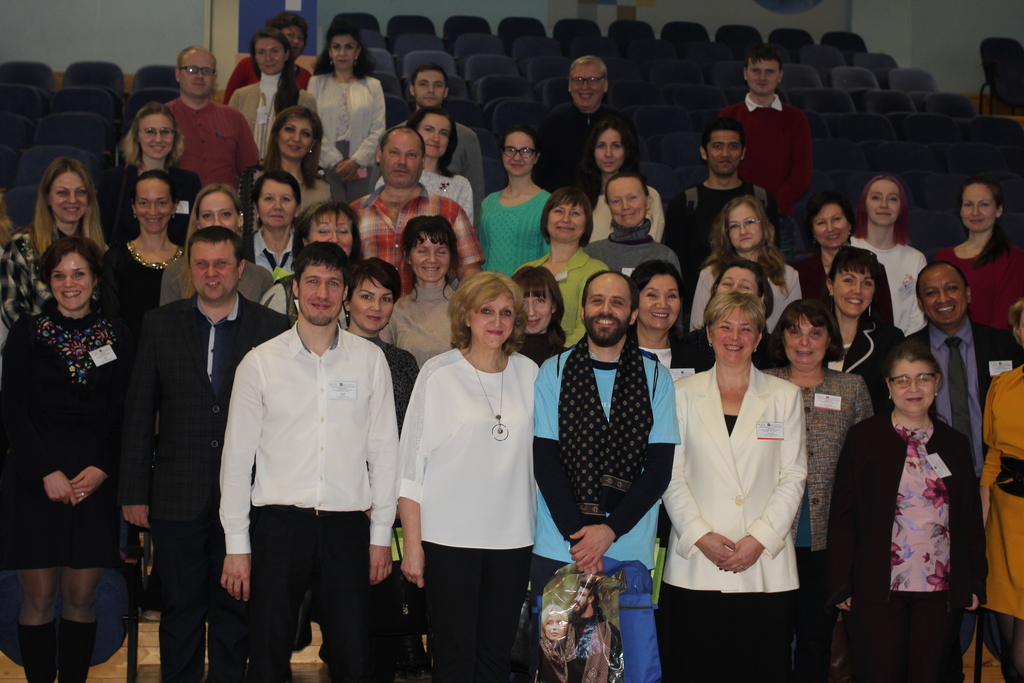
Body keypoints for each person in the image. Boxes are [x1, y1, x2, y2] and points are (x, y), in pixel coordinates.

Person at [219, 241, 398, 682]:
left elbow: (384, 453)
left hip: (347, 528)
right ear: (295, 288)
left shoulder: (370, 361)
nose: (322, 293)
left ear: (345, 294)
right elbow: (237, 461)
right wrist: (236, 545)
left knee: (352, 657)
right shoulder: (260, 363)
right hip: (279, 528)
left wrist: (380, 535)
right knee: (267, 656)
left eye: (333, 284)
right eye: (313, 282)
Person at [119, 227, 290, 682]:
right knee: (180, 609)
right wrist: (134, 492)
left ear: (240, 268)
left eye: (221, 264)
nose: (211, 273)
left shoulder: (272, 329)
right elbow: (140, 412)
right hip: (176, 494)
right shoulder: (159, 324)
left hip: (249, 497)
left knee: (235, 609)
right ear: (189, 269)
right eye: (201, 264)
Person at [530, 270, 680, 676]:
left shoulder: (656, 377)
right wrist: (582, 540)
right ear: (582, 310)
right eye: (597, 300)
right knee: (560, 672)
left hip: (627, 549)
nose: (606, 310)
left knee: (626, 671)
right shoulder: (553, 371)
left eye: (617, 302)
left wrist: (608, 532)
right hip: (561, 548)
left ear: (632, 314)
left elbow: (659, 470)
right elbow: (546, 462)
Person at [1, 236, 132, 683]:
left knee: (81, 599)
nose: (69, 283)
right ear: (47, 281)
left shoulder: (118, 334)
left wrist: (101, 469)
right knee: (36, 600)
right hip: (34, 482)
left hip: (93, 483)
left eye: (78, 273)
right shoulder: (27, 332)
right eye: (58, 275)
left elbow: (124, 412)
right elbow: (12, 411)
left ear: (95, 278)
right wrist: (46, 472)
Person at [397, 271, 537, 682]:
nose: (497, 321)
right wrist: (413, 546)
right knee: (454, 655)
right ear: (467, 316)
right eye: (486, 310)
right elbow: (411, 467)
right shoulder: (438, 373)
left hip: (513, 538)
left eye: (506, 312)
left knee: (496, 654)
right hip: (449, 539)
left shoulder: (531, 373)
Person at [660, 290, 806, 681]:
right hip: (697, 563)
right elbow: (670, 475)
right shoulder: (681, 394)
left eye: (746, 328)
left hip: (765, 566)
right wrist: (700, 535)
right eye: (725, 326)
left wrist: (759, 538)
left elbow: (793, 476)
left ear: (759, 338)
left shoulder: (785, 396)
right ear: (709, 334)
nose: (735, 336)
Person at [827, 340, 987, 683]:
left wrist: (975, 579)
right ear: (888, 386)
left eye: (923, 378)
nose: (913, 388)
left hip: (940, 591)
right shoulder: (864, 438)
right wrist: (841, 582)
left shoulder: (955, 443)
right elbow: (843, 515)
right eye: (902, 379)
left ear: (937, 382)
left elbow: (970, 519)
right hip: (876, 589)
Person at [765, 299, 873, 682]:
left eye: (815, 332)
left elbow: (867, 467)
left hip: (828, 540)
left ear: (830, 339)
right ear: (782, 338)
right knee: (770, 639)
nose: (804, 342)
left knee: (815, 640)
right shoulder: (761, 384)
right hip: (769, 537)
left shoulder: (852, 387)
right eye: (795, 331)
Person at [908, 260, 1024, 476]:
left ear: (968, 294)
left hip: (998, 475)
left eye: (952, 288)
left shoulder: (1005, 346)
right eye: (931, 293)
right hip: (929, 478)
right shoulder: (906, 353)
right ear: (921, 304)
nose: (943, 298)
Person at [664, 117, 780, 313]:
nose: (725, 153)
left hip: (757, 308)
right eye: (717, 146)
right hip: (700, 307)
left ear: (743, 152)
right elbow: (678, 268)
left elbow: (772, 256)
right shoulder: (684, 203)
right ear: (704, 152)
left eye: (733, 146)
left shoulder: (763, 200)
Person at [353, 127, 483, 296]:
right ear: (379, 155)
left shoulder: (450, 211)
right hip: (370, 310)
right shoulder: (355, 212)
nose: (402, 161)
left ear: (422, 161)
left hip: (431, 311)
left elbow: (471, 274)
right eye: (394, 153)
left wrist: (452, 309)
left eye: (411, 155)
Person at [719, 43, 812, 262]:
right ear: (745, 73)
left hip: (780, 219)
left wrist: (770, 208)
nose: (762, 77)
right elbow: (722, 167)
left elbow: (802, 173)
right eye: (756, 70)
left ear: (780, 76)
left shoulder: (796, 118)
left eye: (769, 71)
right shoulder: (728, 115)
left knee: (780, 281)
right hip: (737, 219)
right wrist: (745, 211)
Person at [1, 157, 107, 329]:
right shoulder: (22, 245)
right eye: (62, 193)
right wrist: (55, 339)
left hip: (91, 342)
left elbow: (107, 311)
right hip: (37, 343)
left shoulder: (101, 249)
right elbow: (12, 309)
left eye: (80, 192)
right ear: (47, 198)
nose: (72, 200)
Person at [981, 296, 1024, 681]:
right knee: (1010, 651)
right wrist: (981, 525)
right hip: (1004, 522)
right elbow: (993, 456)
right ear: (1018, 332)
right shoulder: (1004, 384)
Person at [689, 195, 800, 333]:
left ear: (763, 225)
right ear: (726, 234)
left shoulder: (788, 276)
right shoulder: (709, 275)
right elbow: (697, 328)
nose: (743, 231)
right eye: (734, 226)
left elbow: (794, 330)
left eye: (749, 222)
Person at [98, 101, 202, 246]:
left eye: (165, 131)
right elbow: (103, 233)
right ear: (136, 136)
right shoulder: (113, 181)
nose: (158, 139)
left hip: (179, 260)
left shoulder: (190, 182)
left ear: (174, 137)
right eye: (149, 131)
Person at [101, 169, 184, 344]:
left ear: (174, 205)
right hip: (129, 356)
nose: (152, 211)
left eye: (161, 203)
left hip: (177, 356)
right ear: (133, 206)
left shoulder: (189, 261)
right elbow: (111, 323)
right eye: (144, 203)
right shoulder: (115, 260)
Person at [517, 187, 607, 346]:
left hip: (571, 357)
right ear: (546, 219)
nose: (566, 219)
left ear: (587, 224)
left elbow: (588, 327)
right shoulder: (526, 270)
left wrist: (556, 357)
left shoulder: (597, 272)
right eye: (559, 211)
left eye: (575, 213)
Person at [159, 183, 274, 306]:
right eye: (207, 216)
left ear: (240, 220)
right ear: (198, 224)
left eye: (225, 214)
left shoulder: (260, 278)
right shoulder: (176, 273)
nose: (217, 223)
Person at [308, 18, 384, 201]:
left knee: (360, 213)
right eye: (336, 47)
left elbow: (378, 129)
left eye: (348, 47)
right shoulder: (316, 83)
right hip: (324, 160)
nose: (342, 53)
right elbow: (311, 126)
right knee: (330, 212)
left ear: (357, 51)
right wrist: (336, 161)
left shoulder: (373, 85)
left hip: (363, 163)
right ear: (329, 51)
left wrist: (356, 161)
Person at [935, 174, 1024, 331]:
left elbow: (1005, 320)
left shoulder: (1013, 258)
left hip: (992, 344)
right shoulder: (943, 258)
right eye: (968, 205)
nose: (975, 212)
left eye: (984, 205)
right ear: (960, 210)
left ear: (999, 210)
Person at [826, 246, 905, 415]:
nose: (857, 290)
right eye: (849, 280)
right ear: (830, 285)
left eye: (867, 283)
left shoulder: (889, 340)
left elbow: (891, 404)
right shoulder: (811, 336)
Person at [167, 46, 260, 189]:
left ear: (214, 78)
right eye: (191, 69)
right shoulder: (162, 118)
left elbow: (250, 172)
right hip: (176, 200)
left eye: (206, 71)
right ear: (178, 75)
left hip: (225, 201)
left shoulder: (235, 119)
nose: (199, 76)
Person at [405, 62, 485, 226]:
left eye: (438, 85)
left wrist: (473, 233)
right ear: (412, 89)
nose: (431, 90)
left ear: (446, 92)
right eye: (423, 84)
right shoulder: (394, 135)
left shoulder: (467, 137)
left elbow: (476, 194)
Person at [343, 257, 419, 429]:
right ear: (346, 302)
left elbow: (415, 425)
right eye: (366, 297)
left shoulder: (404, 362)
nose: (376, 307)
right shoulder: (330, 354)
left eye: (385, 299)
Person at [538, 56, 631, 192]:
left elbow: (631, 173)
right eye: (578, 80)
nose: (585, 87)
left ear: (605, 85)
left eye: (592, 80)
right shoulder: (549, 126)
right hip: (563, 203)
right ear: (570, 85)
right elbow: (540, 177)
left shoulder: (623, 125)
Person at [261, 199, 362, 324]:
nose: (334, 239)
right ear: (305, 242)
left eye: (343, 231)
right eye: (323, 231)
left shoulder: (365, 292)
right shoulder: (282, 294)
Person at [850, 175, 927, 336]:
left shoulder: (916, 259)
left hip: (903, 346)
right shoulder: (847, 249)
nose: (884, 205)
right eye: (876, 198)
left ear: (901, 208)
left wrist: (899, 346)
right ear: (864, 205)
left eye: (892, 199)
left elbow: (918, 319)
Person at [238, 106, 333, 236]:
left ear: (312, 144)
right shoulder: (254, 177)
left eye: (305, 133)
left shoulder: (322, 187)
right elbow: (245, 231)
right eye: (290, 129)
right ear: (276, 135)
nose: (297, 138)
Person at [227, 28, 318, 160]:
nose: (268, 58)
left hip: (288, 171)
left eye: (275, 51)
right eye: (261, 52)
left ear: (286, 54)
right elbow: (229, 140)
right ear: (254, 57)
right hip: (246, 170)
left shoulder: (304, 99)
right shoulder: (240, 96)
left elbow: (312, 144)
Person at [380, 215, 457, 368]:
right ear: (407, 256)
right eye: (422, 251)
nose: (432, 259)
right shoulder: (395, 310)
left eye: (441, 252)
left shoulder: (467, 307)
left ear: (450, 257)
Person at [376, 106, 473, 222]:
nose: (436, 138)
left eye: (443, 133)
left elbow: (463, 230)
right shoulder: (391, 178)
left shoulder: (461, 185)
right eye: (429, 130)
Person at [578, 115, 665, 243]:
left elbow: (650, 248)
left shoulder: (649, 195)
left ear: (626, 151)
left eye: (616, 146)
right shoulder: (580, 199)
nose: (608, 154)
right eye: (601, 146)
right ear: (593, 152)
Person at [682, 259, 779, 371]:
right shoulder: (688, 345)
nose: (734, 290)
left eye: (745, 287)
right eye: (727, 284)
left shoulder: (775, 352)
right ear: (715, 291)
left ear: (761, 299)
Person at [479, 124, 550, 277]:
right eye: (510, 150)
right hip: (488, 288)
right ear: (502, 153)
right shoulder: (488, 202)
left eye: (526, 151)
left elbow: (550, 260)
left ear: (537, 157)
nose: (517, 157)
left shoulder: (548, 203)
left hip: (528, 289)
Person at [583, 171, 680, 275]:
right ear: (609, 206)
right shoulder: (591, 253)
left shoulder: (665, 256)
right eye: (616, 201)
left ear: (648, 202)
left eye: (632, 198)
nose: (625, 206)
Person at [629, 259, 711, 379]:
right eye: (652, 295)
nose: (663, 305)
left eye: (671, 296)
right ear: (634, 301)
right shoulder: (614, 354)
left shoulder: (697, 359)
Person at [223, 11, 312, 104]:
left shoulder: (306, 76)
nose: (296, 41)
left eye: (300, 38)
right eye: (290, 35)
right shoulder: (246, 65)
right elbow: (227, 105)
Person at [243, 169, 301, 279]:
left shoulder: (308, 251)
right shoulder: (240, 251)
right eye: (269, 198)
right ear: (256, 207)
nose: (278, 206)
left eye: (285, 199)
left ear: (297, 209)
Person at [512, 266, 565, 366]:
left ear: (554, 306)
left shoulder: (568, 360)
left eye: (539, 301)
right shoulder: (500, 355)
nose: (531, 312)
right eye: (523, 302)